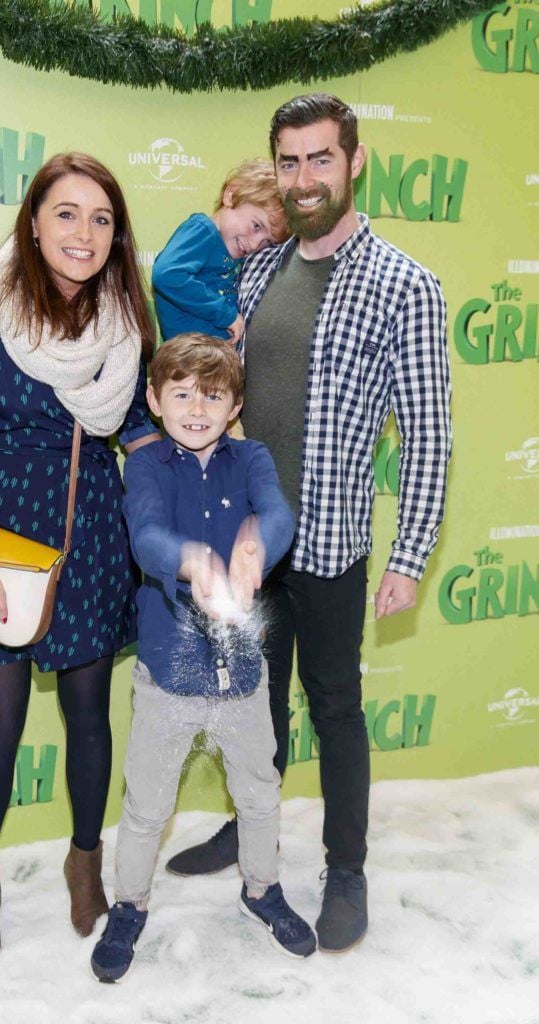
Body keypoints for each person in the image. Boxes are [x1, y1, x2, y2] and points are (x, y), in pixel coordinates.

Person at [166, 94, 452, 954]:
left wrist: (410, 553)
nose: (303, 179)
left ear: (354, 161)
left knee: (334, 708)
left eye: (319, 159)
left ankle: (348, 868)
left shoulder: (404, 283)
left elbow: (429, 431)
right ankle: (249, 830)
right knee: (251, 702)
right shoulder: (254, 270)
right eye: (287, 162)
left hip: (329, 546)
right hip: (251, 542)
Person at [0, 152, 159, 968]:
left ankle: (84, 865)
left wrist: (195, 466)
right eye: (66, 213)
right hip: (1, 543)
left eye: (101, 219)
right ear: (33, 221)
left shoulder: (126, 326)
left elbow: (135, 429)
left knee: (89, 718)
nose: (84, 233)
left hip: (94, 535)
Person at [90, 334, 315, 984]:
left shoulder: (252, 459)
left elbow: (276, 515)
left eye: (212, 395)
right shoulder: (149, 466)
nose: (196, 408)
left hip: (243, 674)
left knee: (260, 795)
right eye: (181, 394)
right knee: (146, 809)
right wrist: (191, 558)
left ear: (233, 403)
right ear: (155, 401)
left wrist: (254, 548)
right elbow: (148, 533)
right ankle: (129, 905)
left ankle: (261, 887)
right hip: (168, 676)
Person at [152, 159, 290, 348]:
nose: (256, 244)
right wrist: (226, 315)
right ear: (231, 196)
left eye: (268, 242)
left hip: (215, 359)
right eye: (256, 225)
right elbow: (166, 274)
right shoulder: (203, 230)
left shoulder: (233, 248)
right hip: (190, 361)